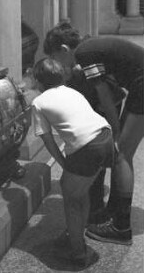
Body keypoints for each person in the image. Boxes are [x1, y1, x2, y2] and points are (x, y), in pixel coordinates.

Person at [43, 21, 144, 245]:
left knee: (121, 156)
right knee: (123, 154)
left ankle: (121, 228)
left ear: (64, 50)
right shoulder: (88, 47)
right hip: (139, 85)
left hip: (142, 85)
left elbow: (104, 95)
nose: (58, 66)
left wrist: (114, 129)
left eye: (56, 59)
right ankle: (117, 215)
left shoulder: (85, 54)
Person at [32, 57, 114, 267]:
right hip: (105, 137)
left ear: (38, 81)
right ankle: (76, 234)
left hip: (87, 146)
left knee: (70, 198)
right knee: (80, 193)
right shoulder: (72, 91)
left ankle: (77, 253)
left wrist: (63, 162)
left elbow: (47, 138)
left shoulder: (38, 102)